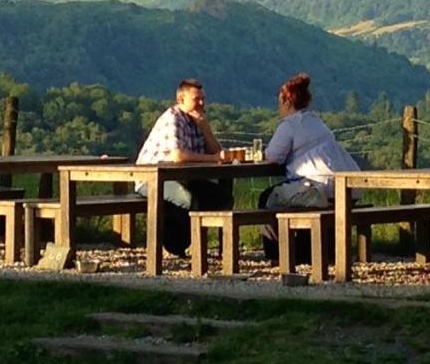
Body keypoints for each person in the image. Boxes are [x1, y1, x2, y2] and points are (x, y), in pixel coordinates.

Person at [257, 72, 361, 262]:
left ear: (286, 101)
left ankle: (276, 254)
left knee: (267, 198)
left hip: (319, 189)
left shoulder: (289, 125)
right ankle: (315, 251)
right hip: (346, 189)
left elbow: (272, 157)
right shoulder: (315, 121)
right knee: (297, 200)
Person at [134, 79, 233, 257]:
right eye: (197, 99)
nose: (201, 103)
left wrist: (205, 128)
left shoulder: (196, 120)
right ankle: (176, 246)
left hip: (183, 177)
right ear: (181, 100)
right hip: (152, 179)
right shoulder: (173, 118)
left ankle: (220, 248)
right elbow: (177, 156)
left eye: (203, 99)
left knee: (222, 198)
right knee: (187, 199)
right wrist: (212, 158)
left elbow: (217, 152)